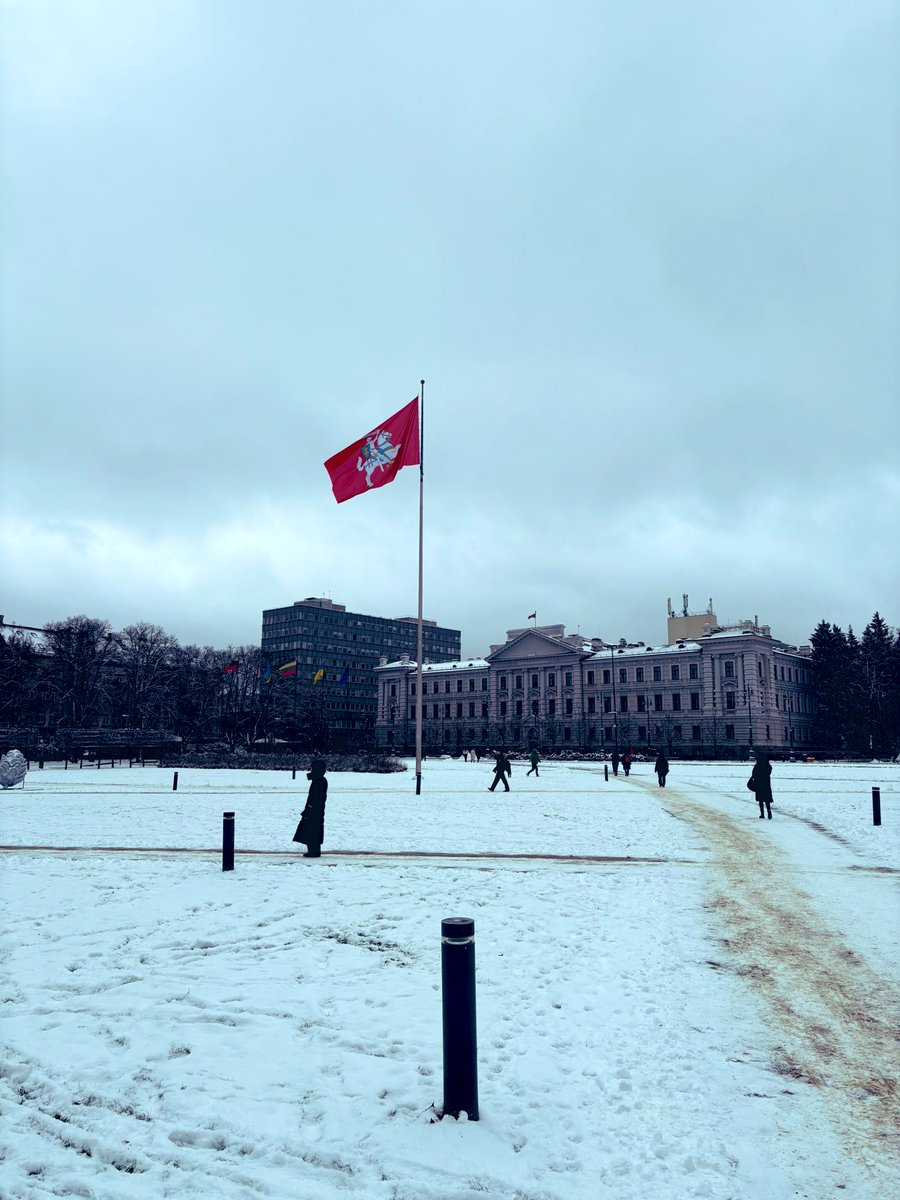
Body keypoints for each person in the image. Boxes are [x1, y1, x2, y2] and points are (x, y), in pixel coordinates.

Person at [293, 759, 328, 856]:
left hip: (314, 810)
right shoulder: (319, 780)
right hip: (315, 810)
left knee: (312, 829)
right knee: (313, 829)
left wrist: (310, 807)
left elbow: (316, 797)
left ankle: (313, 851)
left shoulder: (318, 781)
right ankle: (314, 850)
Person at [751, 752, 773, 819]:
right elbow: (769, 771)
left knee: (760, 800)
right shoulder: (767, 765)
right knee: (767, 799)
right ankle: (769, 812)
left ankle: (762, 814)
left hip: (759, 783)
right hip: (766, 783)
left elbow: (754, 773)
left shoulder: (757, 765)